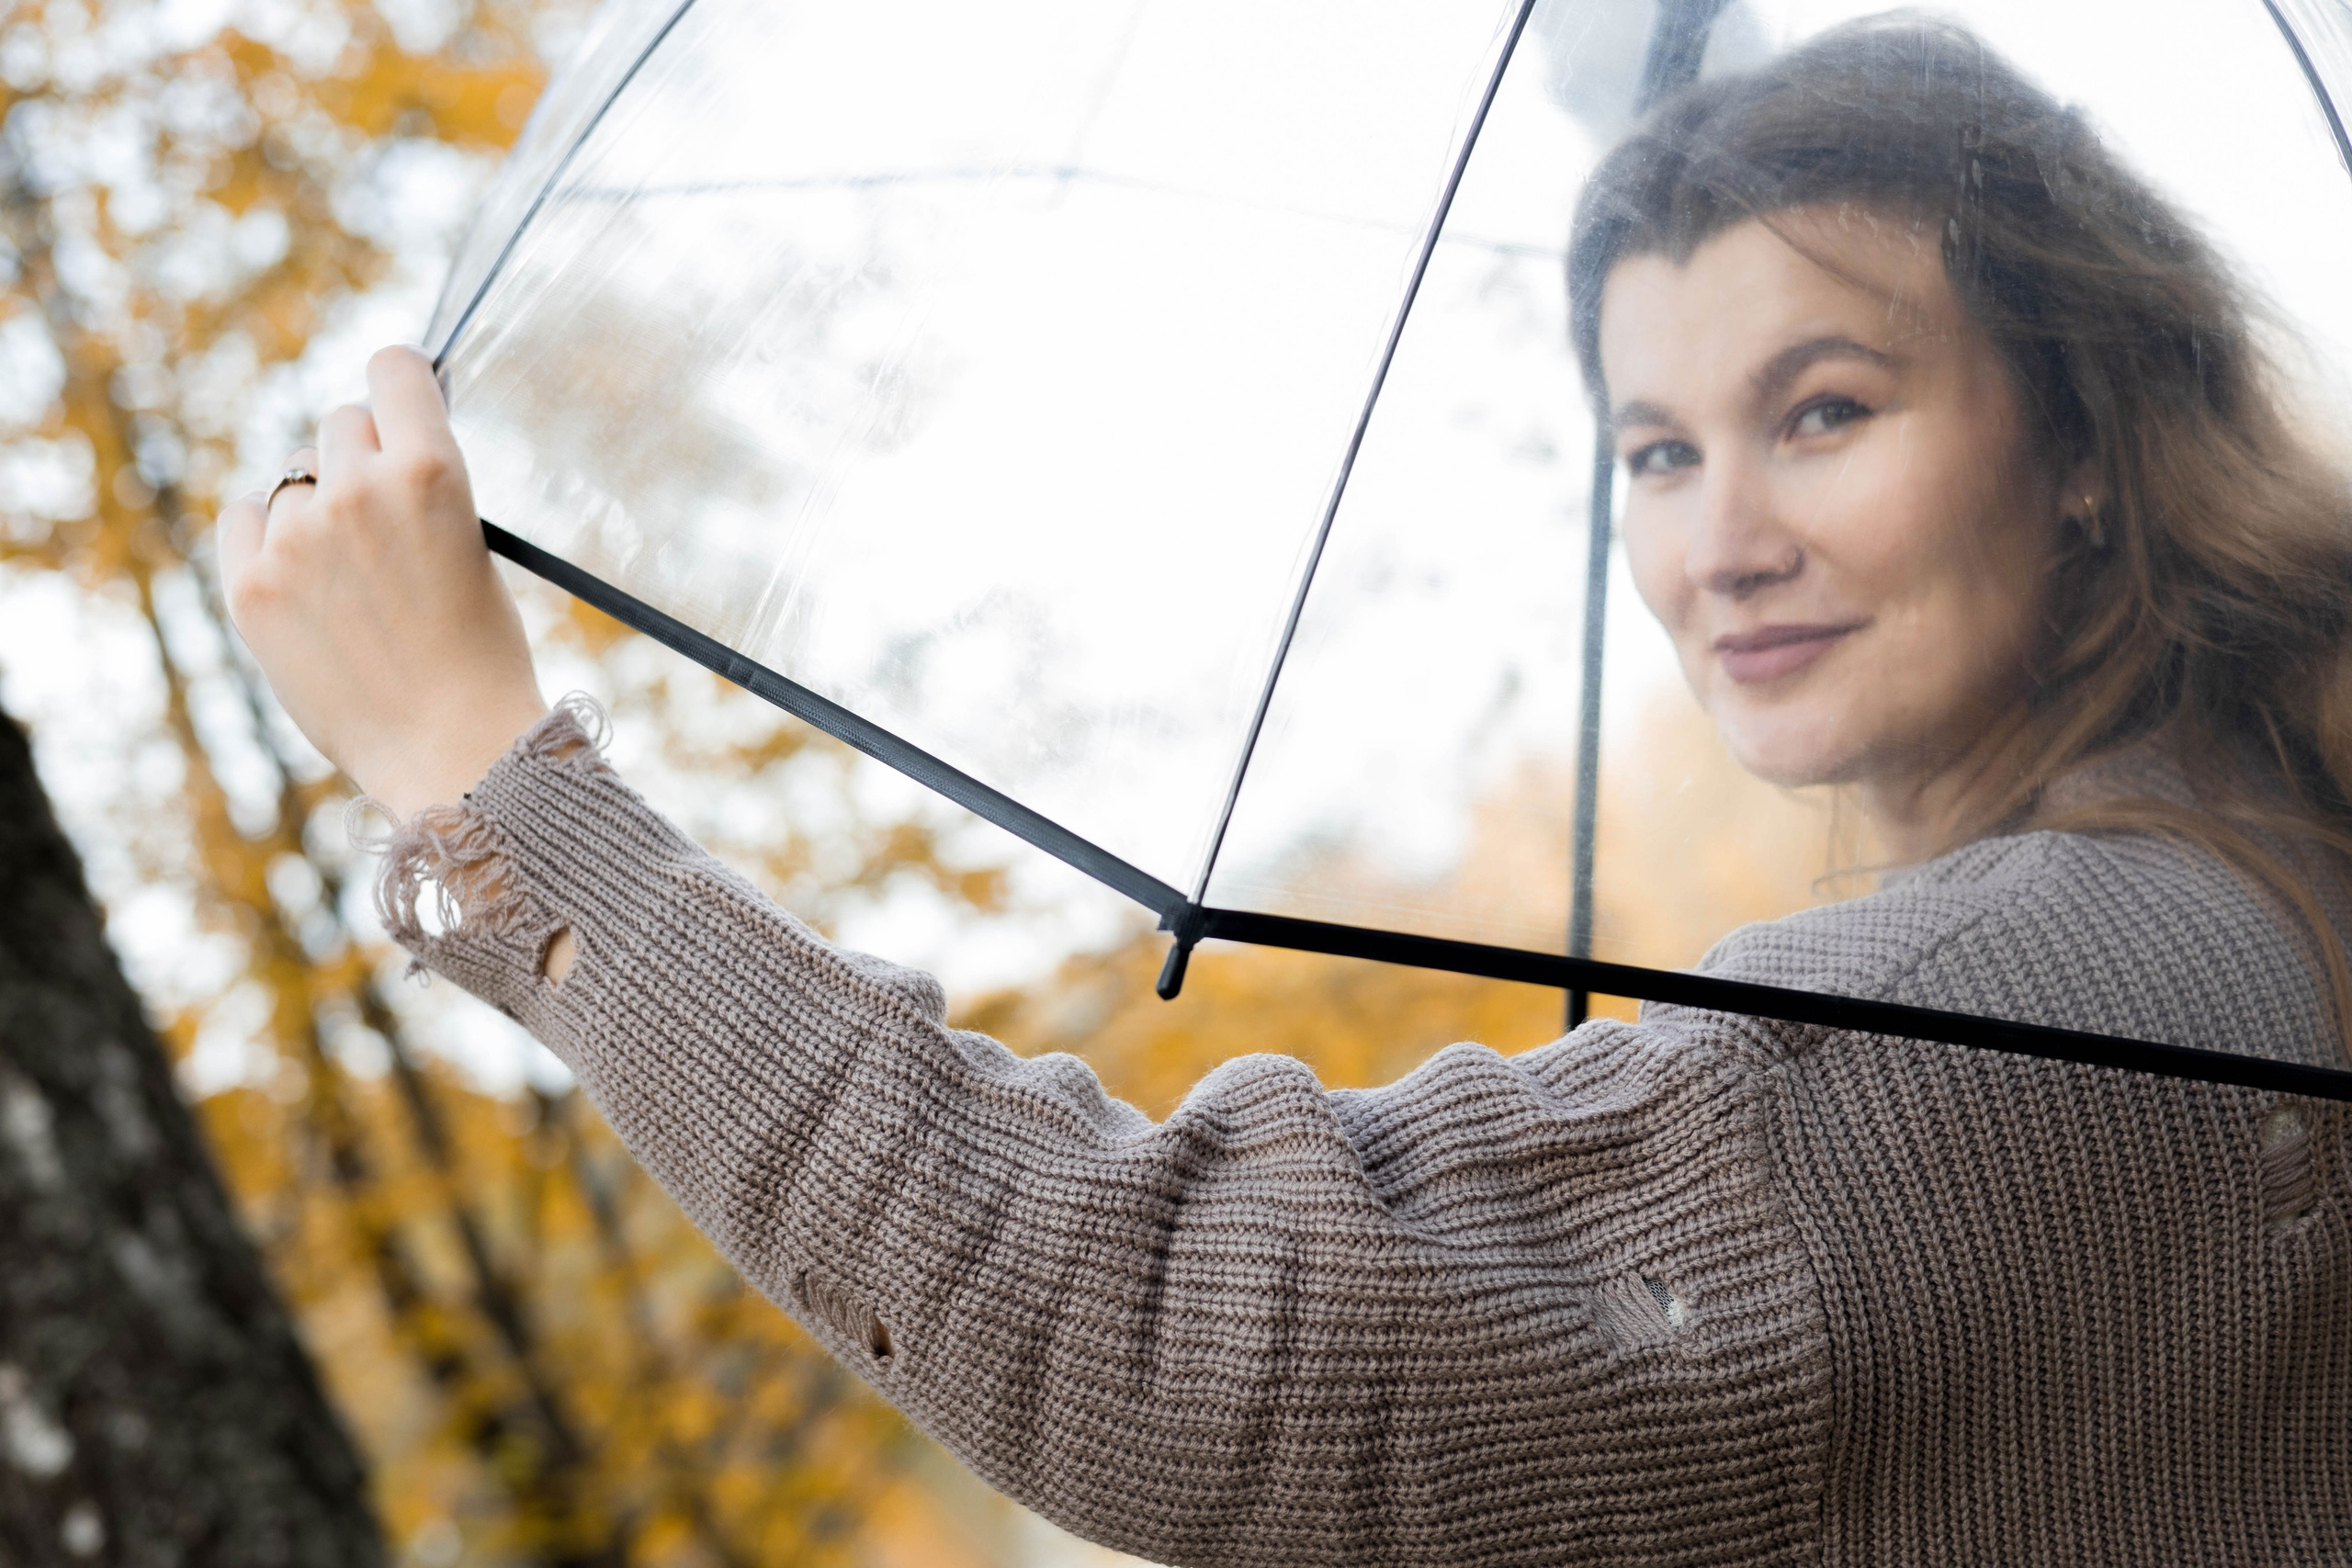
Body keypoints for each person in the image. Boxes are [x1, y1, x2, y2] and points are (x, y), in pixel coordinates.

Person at [217, 17, 2352, 1565]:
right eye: (1655, 449)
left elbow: (1166, 1331)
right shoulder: (2246, 872)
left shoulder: (2023, 995)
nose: (1717, 545)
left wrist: (485, 787)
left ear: (2078, 438)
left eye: (1821, 408)